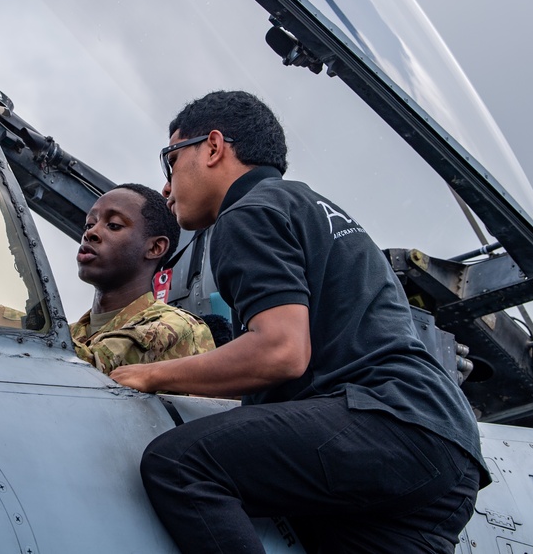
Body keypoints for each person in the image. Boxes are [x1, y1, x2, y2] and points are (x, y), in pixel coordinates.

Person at [110, 91, 489, 553]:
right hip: (445, 450)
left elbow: (281, 351)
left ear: (212, 148)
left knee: (181, 465)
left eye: (171, 160)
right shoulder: (311, 206)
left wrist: (150, 374)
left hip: (386, 421)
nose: (166, 188)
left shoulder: (247, 213)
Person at [73, 183, 215, 374]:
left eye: (113, 225)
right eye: (89, 224)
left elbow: (87, 370)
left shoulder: (175, 328)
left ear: (155, 248)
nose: (90, 233)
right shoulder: (70, 333)